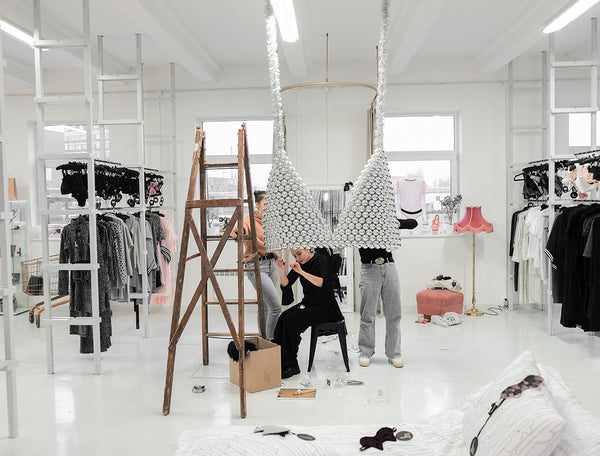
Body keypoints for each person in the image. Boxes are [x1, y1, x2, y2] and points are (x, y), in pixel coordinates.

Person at [358, 218, 417, 369]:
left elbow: (413, 223)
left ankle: (394, 353)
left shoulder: (385, 217)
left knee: (394, 314)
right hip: (369, 268)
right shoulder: (359, 221)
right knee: (367, 314)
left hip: (389, 267)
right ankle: (365, 352)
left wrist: (397, 223)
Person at [274, 248, 340, 379]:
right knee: (283, 317)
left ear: (307, 249)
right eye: (294, 256)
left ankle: (292, 365)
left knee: (292, 320)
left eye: (299, 254)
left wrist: (301, 272)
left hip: (325, 307)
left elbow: (322, 283)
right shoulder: (300, 264)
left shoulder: (321, 260)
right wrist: (281, 269)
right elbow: (286, 284)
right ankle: (280, 361)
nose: (297, 258)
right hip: (309, 303)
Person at [231, 190, 281, 340]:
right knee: (276, 307)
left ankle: (263, 340)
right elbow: (237, 233)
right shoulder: (248, 220)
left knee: (265, 305)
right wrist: (237, 231)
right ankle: (271, 341)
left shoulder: (270, 222)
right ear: (258, 204)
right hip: (257, 266)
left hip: (272, 264)